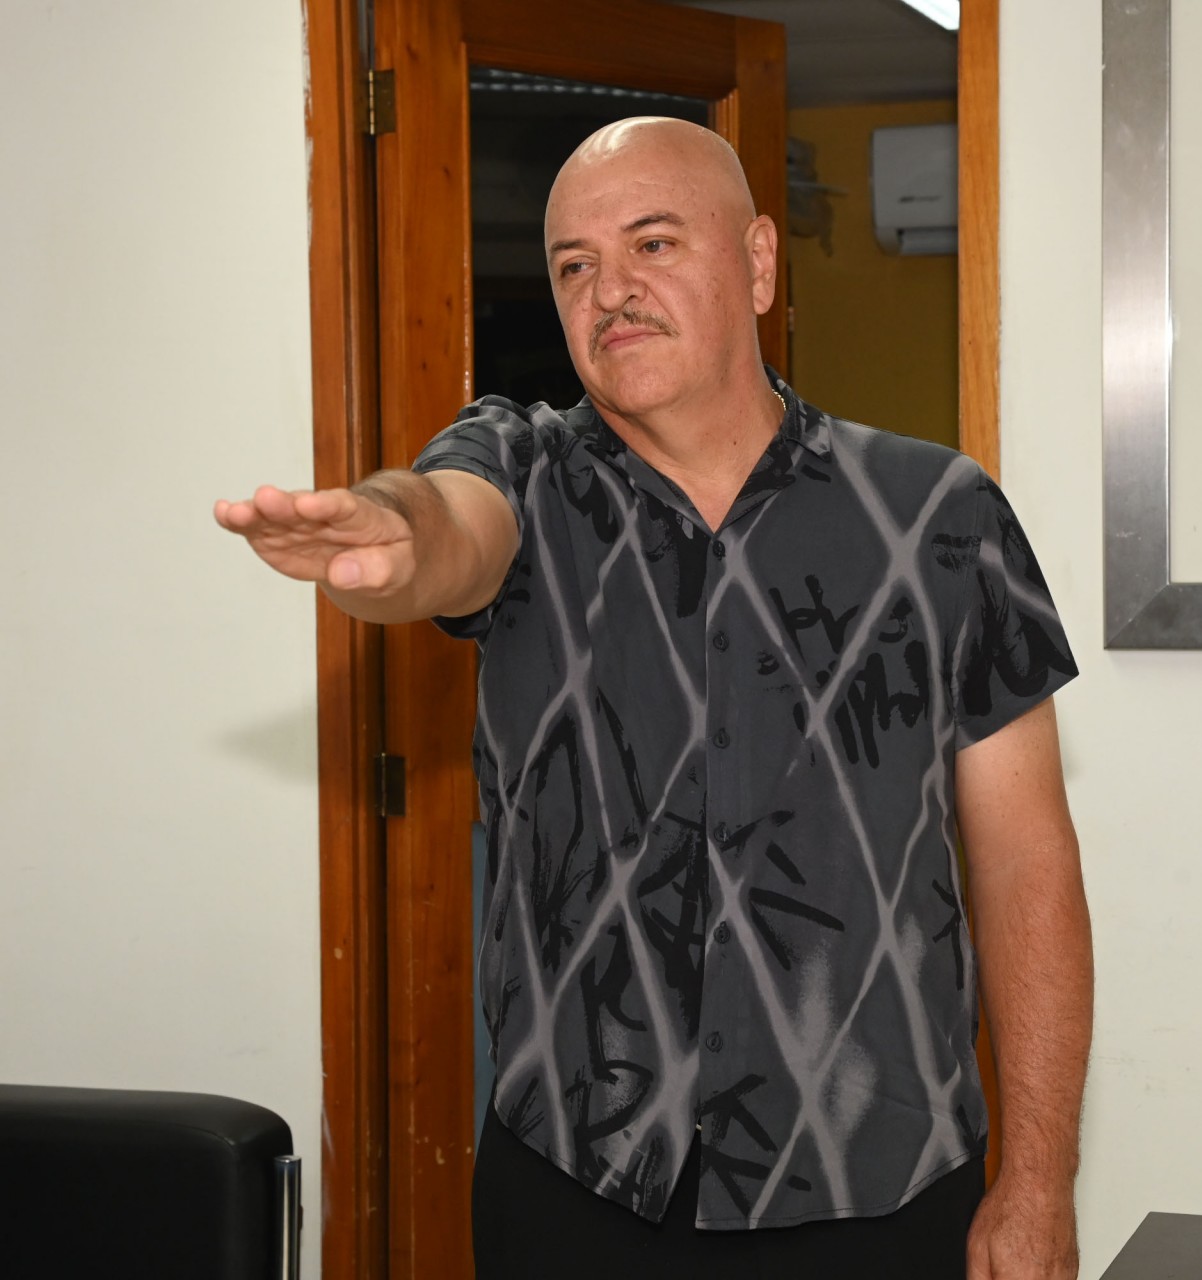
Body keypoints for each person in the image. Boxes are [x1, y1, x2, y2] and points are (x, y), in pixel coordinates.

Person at [215, 117, 1092, 1280]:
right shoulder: (524, 471)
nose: (609, 290)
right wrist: (396, 532)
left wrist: (1036, 1179)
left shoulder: (938, 514)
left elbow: (1027, 864)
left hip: (876, 1185)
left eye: (653, 243)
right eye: (573, 264)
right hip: (577, 1189)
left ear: (759, 262)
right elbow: (448, 526)